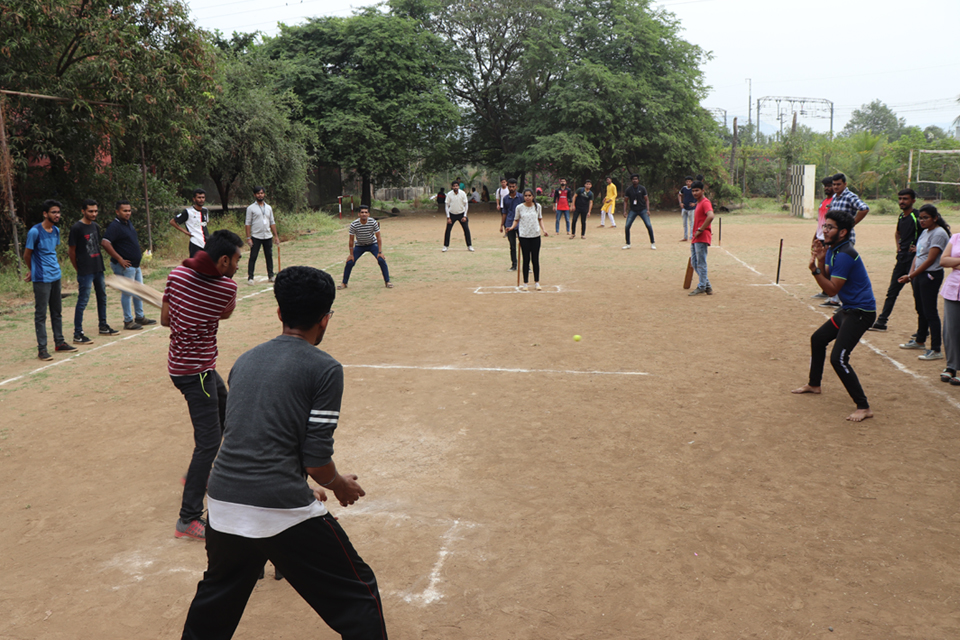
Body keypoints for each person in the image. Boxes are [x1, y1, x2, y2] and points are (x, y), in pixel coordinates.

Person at [179, 266, 387, 640]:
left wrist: (300, 484)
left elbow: (250, 439)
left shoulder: (245, 360)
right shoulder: (324, 369)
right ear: (325, 319)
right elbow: (316, 460)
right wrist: (338, 485)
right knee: (359, 596)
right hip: (278, 507)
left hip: (224, 502)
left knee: (215, 607)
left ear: (279, 313)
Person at [162, 229, 243, 540]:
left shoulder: (177, 274)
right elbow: (226, 313)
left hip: (181, 368)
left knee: (226, 411)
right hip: (197, 374)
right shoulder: (226, 289)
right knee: (208, 442)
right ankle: (188, 517)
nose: (238, 265)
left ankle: (202, 473)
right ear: (223, 260)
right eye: (236, 260)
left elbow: (166, 320)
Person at [792, 210, 876, 422]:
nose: (825, 230)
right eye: (824, 226)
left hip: (861, 312)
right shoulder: (833, 249)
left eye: (829, 227)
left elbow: (831, 290)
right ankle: (814, 384)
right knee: (818, 339)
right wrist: (820, 262)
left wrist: (814, 271)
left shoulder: (846, 253)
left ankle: (863, 406)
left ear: (843, 232)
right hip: (848, 309)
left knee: (838, 358)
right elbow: (828, 275)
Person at [23, 200, 75, 361]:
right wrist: (32, 270)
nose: (57, 215)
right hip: (42, 278)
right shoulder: (35, 232)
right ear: (45, 214)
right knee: (41, 314)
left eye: (58, 212)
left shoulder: (56, 231)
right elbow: (27, 254)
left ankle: (59, 343)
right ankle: (42, 349)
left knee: (56, 311)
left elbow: (51, 252)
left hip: (56, 275)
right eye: (53, 212)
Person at [897, 204, 950, 360]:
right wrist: (910, 274)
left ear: (935, 218)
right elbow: (918, 255)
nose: (922, 220)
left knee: (930, 312)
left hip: (930, 275)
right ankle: (920, 341)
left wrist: (912, 275)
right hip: (919, 275)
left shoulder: (939, 233)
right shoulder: (925, 232)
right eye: (920, 218)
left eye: (925, 217)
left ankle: (936, 349)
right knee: (921, 308)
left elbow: (930, 259)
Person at [68, 199, 119, 343]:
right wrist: (78, 268)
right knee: (83, 300)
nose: (94, 213)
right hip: (85, 270)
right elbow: (71, 251)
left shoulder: (95, 226)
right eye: (90, 211)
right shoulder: (76, 228)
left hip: (98, 268)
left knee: (102, 297)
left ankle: (103, 325)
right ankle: (78, 333)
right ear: (83, 211)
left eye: (96, 211)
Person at [869, 189, 920, 331]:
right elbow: (897, 233)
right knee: (892, 292)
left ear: (913, 201)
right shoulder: (901, 217)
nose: (902, 201)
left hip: (914, 262)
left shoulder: (917, 217)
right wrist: (898, 246)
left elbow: (928, 233)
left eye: (905, 199)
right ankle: (881, 321)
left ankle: (923, 328)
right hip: (902, 259)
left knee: (918, 296)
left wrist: (919, 248)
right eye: (900, 198)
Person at [102, 200, 157, 330]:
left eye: (129, 210)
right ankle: (128, 320)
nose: (128, 213)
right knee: (127, 292)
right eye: (124, 211)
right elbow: (105, 243)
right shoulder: (115, 226)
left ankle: (140, 316)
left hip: (135, 265)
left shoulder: (127, 223)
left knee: (139, 290)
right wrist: (120, 259)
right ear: (117, 212)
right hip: (125, 266)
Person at [339, 204, 392, 289]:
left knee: (381, 260)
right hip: (360, 246)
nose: (364, 214)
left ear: (368, 214)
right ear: (359, 214)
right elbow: (351, 240)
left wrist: (380, 252)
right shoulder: (354, 224)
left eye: (366, 212)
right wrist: (351, 254)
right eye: (362, 212)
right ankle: (344, 283)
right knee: (349, 262)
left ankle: (387, 281)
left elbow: (378, 237)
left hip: (372, 244)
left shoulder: (373, 222)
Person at [506, 189, 548, 291]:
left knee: (535, 259)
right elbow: (516, 220)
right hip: (524, 235)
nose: (527, 197)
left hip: (535, 235)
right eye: (526, 195)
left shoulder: (537, 207)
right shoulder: (519, 207)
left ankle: (537, 282)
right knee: (526, 259)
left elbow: (540, 218)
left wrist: (544, 229)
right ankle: (525, 283)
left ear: (533, 196)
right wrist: (511, 227)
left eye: (529, 195)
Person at [938, 227, 960, 385]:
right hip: (953, 289)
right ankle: (952, 366)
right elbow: (943, 260)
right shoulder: (956, 238)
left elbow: (950, 261)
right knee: (950, 330)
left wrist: (956, 262)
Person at [244, 186, 278, 285]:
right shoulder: (251, 208)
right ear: (255, 195)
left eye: (262, 193)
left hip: (267, 235)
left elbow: (272, 222)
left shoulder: (268, 208)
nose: (260, 195)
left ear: (264, 194)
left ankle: (271, 275)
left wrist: (276, 236)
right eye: (258, 193)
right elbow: (248, 223)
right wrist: (248, 238)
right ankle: (250, 277)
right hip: (256, 236)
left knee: (269, 256)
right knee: (253, 256)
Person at [811, 177, 836, 300]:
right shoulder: (823, 202)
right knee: (820, 263)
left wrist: (828, 238)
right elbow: (820, 222)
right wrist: (815, 236)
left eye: (829, 185)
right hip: (820, 236)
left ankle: (830, 290)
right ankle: (825, 290)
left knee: (827, 265)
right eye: (825, 186)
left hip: (828, 238)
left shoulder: (834, 202)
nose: (827, 188)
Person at [688, 181, 714, 296]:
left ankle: (702, 286)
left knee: (701, 263)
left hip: (701, 237)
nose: (695, 193)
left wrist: (701, 229)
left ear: (703, 191)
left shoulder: (705, 202)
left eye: (697, 190)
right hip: (696, 237)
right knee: (694, 262)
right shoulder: (698, 203)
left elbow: (711, 216)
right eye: (693, 191)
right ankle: (707, 285)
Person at [170, 189, 210, 258]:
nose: (201, 200)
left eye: (203, 197)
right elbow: (172, 221)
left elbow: (205, 224)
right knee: (195, 264)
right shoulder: (188, 212)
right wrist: (185, 232)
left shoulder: (205, 210)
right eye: (199, 197)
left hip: (206, 242)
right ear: (194, 199)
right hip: (195, 242)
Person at [622, 174, 655, 250]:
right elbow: (626, 201)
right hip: (633, 210)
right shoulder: (628, 190)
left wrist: (648, 210)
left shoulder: (642, 188)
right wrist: (624, 211)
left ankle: (652, 243)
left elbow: (646, 199)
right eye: (633, 179)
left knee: (648, 225)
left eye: (636, 179)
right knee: (627, 226)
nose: (635, 180)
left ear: (638, 180)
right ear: (631, 181)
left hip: (643, 210)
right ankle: (628, 244)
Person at [443, 180, 473, 252]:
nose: (455, 187)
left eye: (456, 186)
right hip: (452, 214)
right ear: (452, 187)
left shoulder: (463, 193)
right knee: (448, 230)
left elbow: (466, 204)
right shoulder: (449, 194)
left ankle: (469, 245)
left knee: (466, 230)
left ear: (459, 187)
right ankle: (445, 246)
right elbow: (447, 205)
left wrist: (465, 216)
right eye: (454, 186)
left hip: (461, 214)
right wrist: (448, 217)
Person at [500, 178, 523, 270]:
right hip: (509, 224)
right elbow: (504, 212)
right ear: (508, 187)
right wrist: (502, 225)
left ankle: (527, 266)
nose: (512, 188)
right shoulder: (505, 199)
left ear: (516, 187)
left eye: (513, 186)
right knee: (512, 246)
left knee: (524, 246)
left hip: (521, 224)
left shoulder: (521, 197)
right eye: (510, 186)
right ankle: (514, 265)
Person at [678, 176, 696, 242]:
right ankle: (685, 236)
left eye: (689, 181)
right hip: (684, 208)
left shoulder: (694, 189)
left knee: (691, 223)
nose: (688, 183)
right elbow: (679, 195)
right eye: (687, 181)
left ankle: (691, 236)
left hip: (691, 209)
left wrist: (695, 203)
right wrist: (680, 203)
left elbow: (699, 196)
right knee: (684, 223)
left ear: (692, 182)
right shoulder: (684, 188)